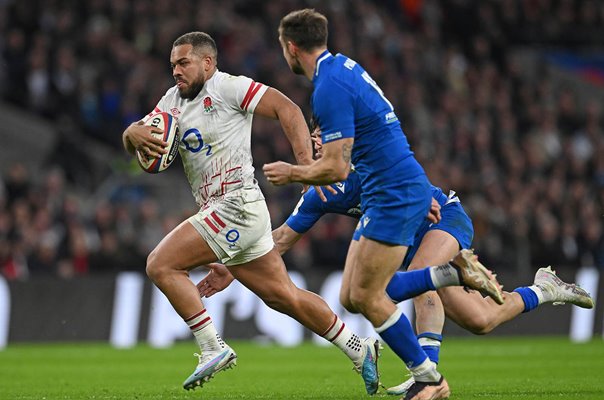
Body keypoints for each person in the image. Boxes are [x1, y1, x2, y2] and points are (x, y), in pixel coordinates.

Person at [199, 126, 594, 396]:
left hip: (445, 218)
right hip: (412, 241)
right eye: (311, 144)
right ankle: (545, 289)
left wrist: (425, 197)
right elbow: (282, 239)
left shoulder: (367, 164)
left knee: (420, 284)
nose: (315, 148)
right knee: (481, 320)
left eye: (321, 140)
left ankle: (426, 378)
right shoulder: (318, 194)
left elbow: (410, 172)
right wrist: (232, 269)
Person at [121, 31, 385, 393]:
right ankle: (359, 347)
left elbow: (287, 109)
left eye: (183, 63)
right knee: (284, 296)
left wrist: (307, 168)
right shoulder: (172, 101)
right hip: (227, 212)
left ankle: (211, 346)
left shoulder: (228, 88)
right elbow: (142, 137)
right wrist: (130, 134)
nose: (176, 71)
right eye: (172, 65)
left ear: (208, 63)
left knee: (160, 264)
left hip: (236, 204)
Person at [262, 9, 504, 400]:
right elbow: (379, 133)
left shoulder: (329, 87)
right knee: (352, 297)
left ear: (291, 47)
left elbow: (337, 167)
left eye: (282, 48)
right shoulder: (343, 69)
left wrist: (293, 172)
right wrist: (234, 264)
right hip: (391, 188)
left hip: (392, 191)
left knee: (371, 296)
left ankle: (430, 376)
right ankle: (449, 281)